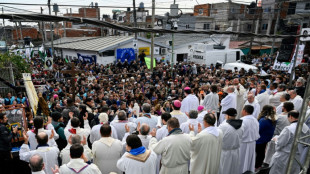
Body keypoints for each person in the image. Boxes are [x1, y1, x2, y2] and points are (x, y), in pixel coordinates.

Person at [263, 101, 294, 166]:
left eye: (283, 107)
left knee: (270, 157)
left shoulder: (279, 117)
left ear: (284, 108)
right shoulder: (292, 117)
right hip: (286, 139)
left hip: (276, 138)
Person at [218, 108, 243, 174]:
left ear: (228, 116)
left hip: (225, 153)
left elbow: (217, 137)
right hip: (236, 151)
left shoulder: (223, 126)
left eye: (225, 115)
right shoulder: (241, 125)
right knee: (233, 169)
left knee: (224, 170)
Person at [239, 105, 260, 173]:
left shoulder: (242, 120)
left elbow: (239, 133)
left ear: (244, 111)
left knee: (241, 160)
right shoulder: (255, 120)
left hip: (243, 144)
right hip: (252, 143)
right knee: (248, 161)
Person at [255, 105, 277, 170]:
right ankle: (258, 165)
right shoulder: (273, 119)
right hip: (266, 139)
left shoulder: (263, 120)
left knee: (258, 153)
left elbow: (258, 129)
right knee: (261, 152)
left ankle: (256, 165)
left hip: (259, 139)